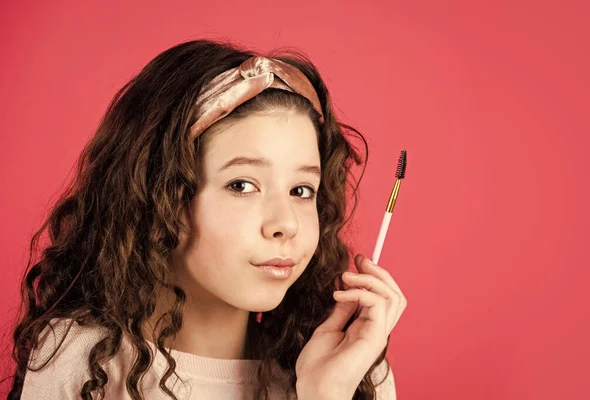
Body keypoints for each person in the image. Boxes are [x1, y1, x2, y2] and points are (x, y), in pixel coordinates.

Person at [4, 39, 407, 399]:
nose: (287, 224)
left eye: (302, 190)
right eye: (242, 185)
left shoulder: (353, 371)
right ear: (161, 195)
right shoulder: (83, 362)